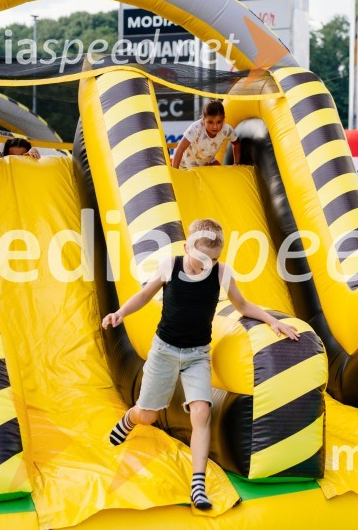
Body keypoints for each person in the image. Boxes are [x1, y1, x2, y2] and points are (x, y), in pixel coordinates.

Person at [102, 218, 299, 510]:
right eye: (201, 258)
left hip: (197, 354)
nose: (207, 264)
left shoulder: (221, 273)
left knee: (201, 411)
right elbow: (145, 295)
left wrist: (274, 322)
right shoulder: (171, 266)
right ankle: (131, 418)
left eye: (214, 259)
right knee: (149, 416)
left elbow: (243, 306)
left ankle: (198, 485)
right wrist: (119, 313)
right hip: (164, 351)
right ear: (187, 247)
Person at [172, 101, 240, 169]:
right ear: (203, 119)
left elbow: (236, 143)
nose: (215, 127)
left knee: (221, 173)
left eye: (219, 122)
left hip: (207, 161)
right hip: (186, 163)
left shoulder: (226, 130)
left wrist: (236, 163)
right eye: (210, 122)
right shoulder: (196, 128)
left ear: (223, 119)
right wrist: (175, 171)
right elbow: (180, 149)